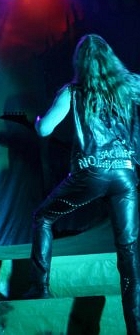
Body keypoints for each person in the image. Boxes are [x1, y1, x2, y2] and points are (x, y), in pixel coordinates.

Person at [24, 34, 140, 334]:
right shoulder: (131, 85)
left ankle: (40, 288)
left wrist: (37, 121)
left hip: (92, 172)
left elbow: (45, 130)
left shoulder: (72, 92)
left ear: (80, 62)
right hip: (125, 174)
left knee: (43, 218)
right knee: (128, 251)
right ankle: (135, 327)